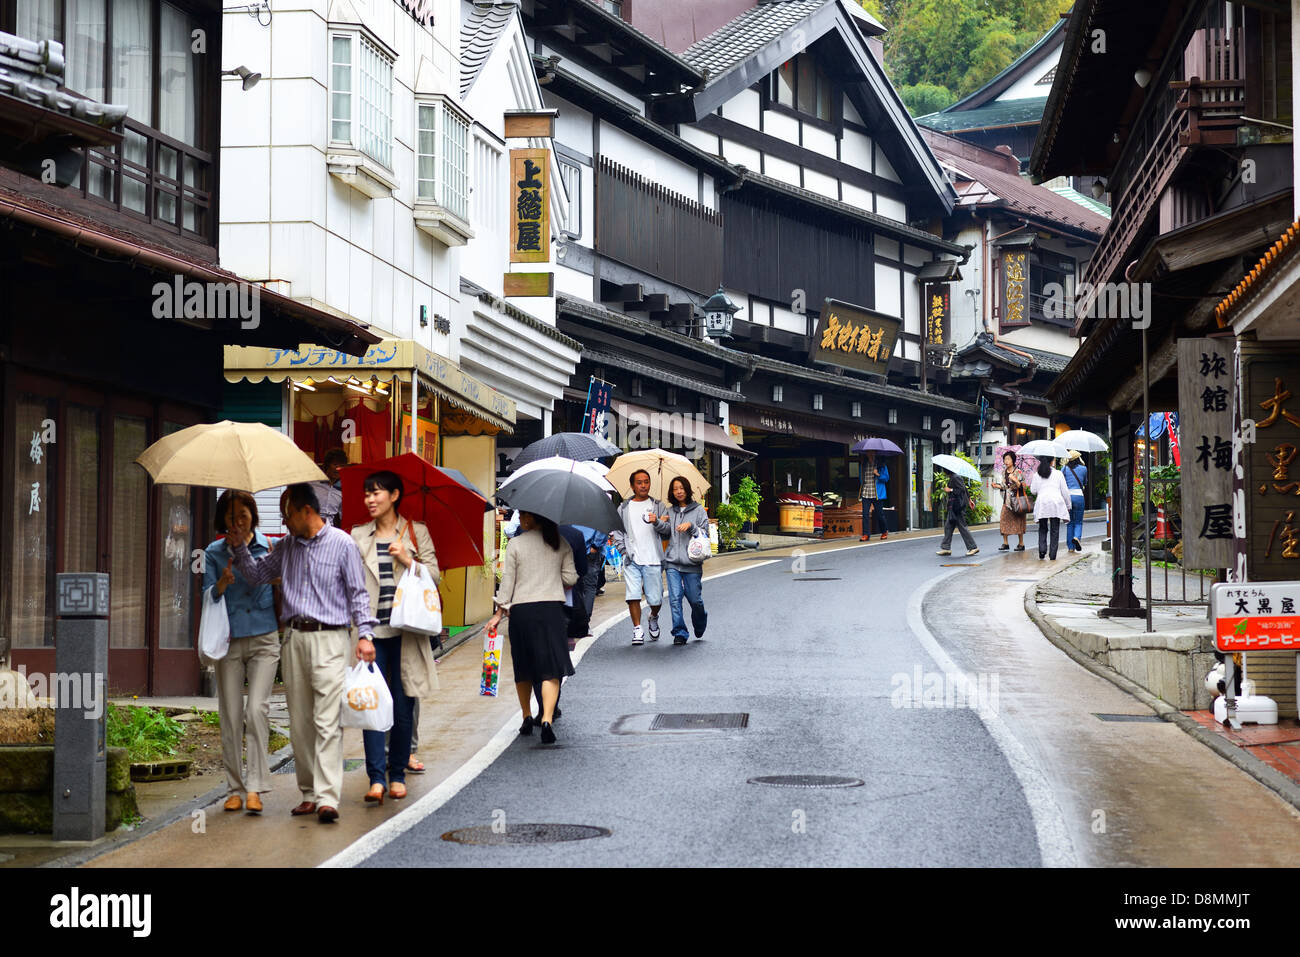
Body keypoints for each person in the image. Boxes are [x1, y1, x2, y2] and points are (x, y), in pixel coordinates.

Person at [228, 483, 377, 824]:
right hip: (294, 638)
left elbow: (358, 594)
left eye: (288, 515)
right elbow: (256, 576)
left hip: (331, 638)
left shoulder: (342, 544)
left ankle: (327, 797)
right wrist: (240, 548)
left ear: (305, 511)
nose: (285, 522)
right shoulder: (286, 547)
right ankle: (308, 793)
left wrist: (365, 635)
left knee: (327, 719)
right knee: (300, 721)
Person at [349, 470, 439, 805]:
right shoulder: (359, 536)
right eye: (366, 494)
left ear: (395, 495)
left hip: (407, 633)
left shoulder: (418, 533)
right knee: (372, 704)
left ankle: (397, 773)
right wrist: (361, 633)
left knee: (403, 707)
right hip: (372, 633)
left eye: (377, 493)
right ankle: (376, 778)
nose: (370, 499)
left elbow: (436, 575)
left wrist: (408, 559)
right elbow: (353, 587)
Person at [203, 489, 280, 815]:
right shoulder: (213, 552)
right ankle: (234, 788)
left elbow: (280, 580)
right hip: (230, 640)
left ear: (253, 516)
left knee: (256, 710)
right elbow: (207, 595)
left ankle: (255, 787)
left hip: (264, 637)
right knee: (231, 715)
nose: (237, 523)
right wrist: (222, 583)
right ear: (223, 520)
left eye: (243, 516)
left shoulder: (269, 545)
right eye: (231, 518)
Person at [486, 511, 578, 745]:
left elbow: (508, 582)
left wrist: (498, 614)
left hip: (522, 612)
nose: (520, 519)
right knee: (550, 668)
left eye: (523, 515)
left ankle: (527, 715)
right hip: (551, 610)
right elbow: (571, 578)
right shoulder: (560, 542)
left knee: (524, 665)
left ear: (531, 519)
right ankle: (546, 718)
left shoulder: (516, 543)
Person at [610, 469, 671, 645]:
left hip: (653, 559)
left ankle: (653, 616)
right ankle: (637, 629)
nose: (643, 485)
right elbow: (617, 531)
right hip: (632, 559)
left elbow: (667, 532)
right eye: (639, 482)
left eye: (646, 481)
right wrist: (623, 552)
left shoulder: (658, 506)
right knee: (633, 595)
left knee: (656, 598)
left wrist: (657, 521)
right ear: (632, 486)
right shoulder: (623, 507)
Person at [662, 476, 709, 646]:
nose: (678, 491)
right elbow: (665, 533)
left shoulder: (698, 510)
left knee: (694, 599)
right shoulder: (670, 511)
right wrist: (658, 523)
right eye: (675, 489)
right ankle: (680, 632)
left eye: (681, 488)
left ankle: (700, 620)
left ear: (687, 489)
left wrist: (691, 526)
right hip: (672, 562)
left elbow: (705, 533)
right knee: (675, 598)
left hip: (692, 563)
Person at [1029, 458, 1072, 560]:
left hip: (1042, 503)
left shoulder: (1037, 474)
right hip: (1056, 503)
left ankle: (1042, 551)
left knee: (1043, 528)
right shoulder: (1058, 474)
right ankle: (1053, 555)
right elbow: (1065, 491)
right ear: (1052, 461)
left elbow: (1033, 491)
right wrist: (1068, 505)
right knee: (1055, 530)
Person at [936, 470, 979, 557]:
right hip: (954, 506)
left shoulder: (956, 477)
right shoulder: (953, 477)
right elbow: (965, 489)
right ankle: (946, 548)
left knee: (962, 527)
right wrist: (970, 500)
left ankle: (973, 547)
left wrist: (950, 489)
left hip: (958, 507)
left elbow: (961, 490)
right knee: (948, 526)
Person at [991, 451, 1027, 552]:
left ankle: (1021, 543)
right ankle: (1005, 543)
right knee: (1003, 519)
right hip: (1007, 500)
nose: (1006, 461)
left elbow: (1023, 485)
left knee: (1019, 520)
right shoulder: (1004, 472)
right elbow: (1004, 486)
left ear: (1013, 460)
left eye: (1008, 459)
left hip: (1017, 499)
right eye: (1005, 459)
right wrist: (997, 486)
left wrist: (1015, 479)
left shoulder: (1018, 471)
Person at [311, 448, 348, 527]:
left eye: (341, 466)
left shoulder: (343, 490)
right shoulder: (313, 484)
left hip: (329, 531)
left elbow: (343, 517)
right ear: (327, 465)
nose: (338, 469)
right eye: (335, 465)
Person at [1063, 450, 1088, 552]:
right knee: (1078, 521)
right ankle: (1077, 537)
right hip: (1079, 496)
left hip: (1068, 496)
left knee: (1070, 523)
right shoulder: (1084, 468)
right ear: (1078, 458)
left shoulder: (1064, 469)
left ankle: (1070, 547)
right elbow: (1085, 482)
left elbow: (1062, 483)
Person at [859, 453, 886, 542]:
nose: (870, 455)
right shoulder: (864, 464)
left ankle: (884, 531)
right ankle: (866, 534)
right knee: (865, 514)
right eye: (868, 453)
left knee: (880, 514)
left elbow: (886, 478)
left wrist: (878, 474)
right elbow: (861, 478)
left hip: (877, 493)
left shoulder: (881, 464)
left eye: (872, 452)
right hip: (866, 492)